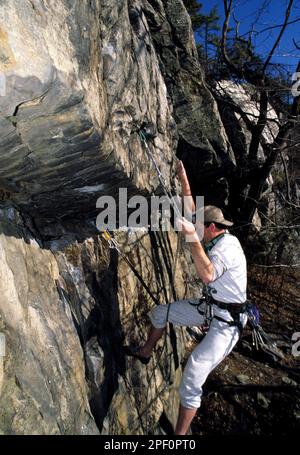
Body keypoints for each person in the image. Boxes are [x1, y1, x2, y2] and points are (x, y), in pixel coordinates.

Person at [124, 161, 247, 435]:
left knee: (192, 377)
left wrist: (192, 238)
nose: (196, 226)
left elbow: (208, 275)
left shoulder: (227, 248)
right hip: (211, 309)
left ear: (212, 227)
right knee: (160, 313)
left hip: (227, 323)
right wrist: (184, 178)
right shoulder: (213, 235)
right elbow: (191, 211)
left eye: (200, 226)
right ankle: (145, 353)